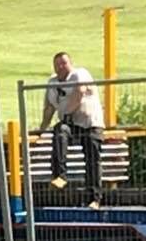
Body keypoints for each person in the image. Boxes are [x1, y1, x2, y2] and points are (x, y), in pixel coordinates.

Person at [40, 51, 104, 207]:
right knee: (59, 132)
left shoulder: (80, 74)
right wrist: (41, 129)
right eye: (57, 64)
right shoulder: (52, 83)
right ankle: (60, 176)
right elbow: (49, 108)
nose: (61, 67)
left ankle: (94, 199)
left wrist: (67, 112)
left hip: (90, 123)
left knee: (92, 160)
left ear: (71, 64)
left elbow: (79, 92)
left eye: (64, 63)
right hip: (70, 124)